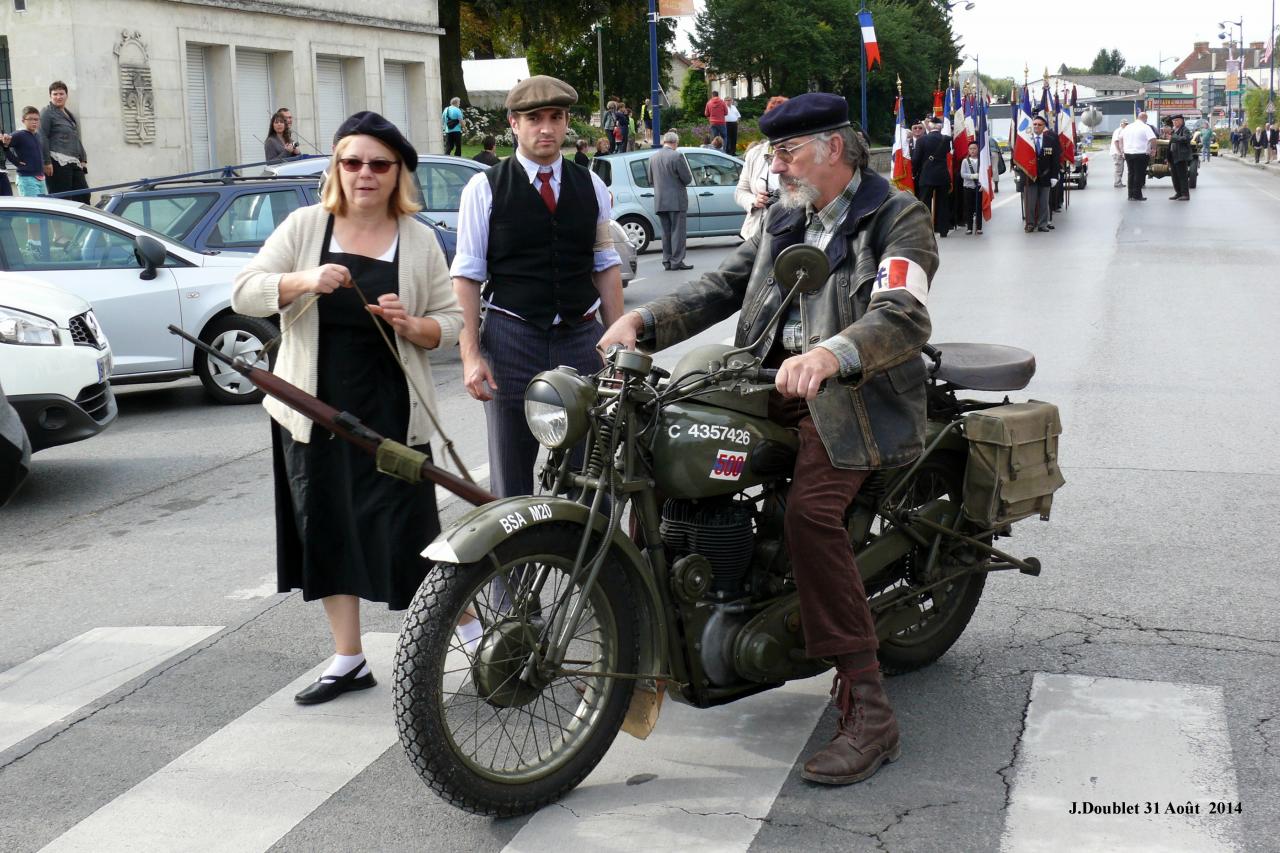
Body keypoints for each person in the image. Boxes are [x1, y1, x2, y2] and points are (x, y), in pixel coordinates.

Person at [597, 92, 936, 787]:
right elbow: (724, 283)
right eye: (774, 152)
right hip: (765, 382)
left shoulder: (896, 215)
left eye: (786, 152)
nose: (774, 166)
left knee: (810, 515)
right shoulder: (786, 216)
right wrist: (645, 321)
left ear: (833, 149)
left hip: (857, 394)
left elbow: (902, 313)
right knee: (660, 451)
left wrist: (833, 353)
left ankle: (870, 708)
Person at [231, 112, 463, 705]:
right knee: (327, 530)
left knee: (411, 535)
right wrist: (302, 281)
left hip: (392, 413)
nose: (365, 174)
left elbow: (453, 322)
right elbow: (244, 291)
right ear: (336, 168)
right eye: (352, 162)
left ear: (398, 173)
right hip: (312, 412)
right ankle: (348, 658)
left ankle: (477, 640)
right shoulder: (306, 226)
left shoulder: (417, 239)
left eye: (379, 164)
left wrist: (413, 325)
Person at [451, 75, 623, 499]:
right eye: (534, 119)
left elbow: (605, 264)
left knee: (590, 472)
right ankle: (517, 545)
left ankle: (586, 543)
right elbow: (467, 276)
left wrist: (617, 340)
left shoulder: (592, 185)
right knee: (511, 474)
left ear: (566, 123)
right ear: (514, 123)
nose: (546, 128)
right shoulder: (484, 188)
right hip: (511, 337)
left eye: (556, 118)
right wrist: (471, 354)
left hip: (581, 338)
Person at [734, 95, 789, 241]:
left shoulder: (799, 152)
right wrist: (755, 201)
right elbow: (740, 191)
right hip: (756, 233)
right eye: (772, 122)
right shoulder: (755, 154)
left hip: (790, 231)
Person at [651, 131, 693, 271]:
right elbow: (687, 179)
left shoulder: (653, 157)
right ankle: (676, 261)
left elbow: (651, 180)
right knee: (678, 232)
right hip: (676, 200)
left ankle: (667, 261)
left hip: (660, 200)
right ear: (675, 142)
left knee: (666, 232)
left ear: (664, 142)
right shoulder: (677, 156)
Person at [40, 81, 88, 204]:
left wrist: (83, 158)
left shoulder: (69, 114)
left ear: (66, 95)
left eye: (61, 94)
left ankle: (81, 218)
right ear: (50, 96)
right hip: (57, 161)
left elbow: (75, 137)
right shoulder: (47, 112)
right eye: (55, 94)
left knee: (83, 195)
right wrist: (46, 162)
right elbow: (42, 136)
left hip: (73, 161)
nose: (58, 97)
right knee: (62, 199)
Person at [911, 116, 951, 238]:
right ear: (940, 127)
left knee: (925, 204)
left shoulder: (921, 140)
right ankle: (943, 230)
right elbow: (947, 153)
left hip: (926, 175)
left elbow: (916, 159)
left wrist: (914, 173)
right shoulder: (946, 139)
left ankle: (926, 230)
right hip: (942, 176)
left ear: (929, 126)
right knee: (943, 203)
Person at [1021, 115, 1059, 232]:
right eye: (1035, 124)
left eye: (1039, 124)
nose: (1036, 126)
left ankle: (1043, 224)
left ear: (1044, 127)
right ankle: (1030, 224)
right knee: (1030, 203)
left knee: (1044, 202)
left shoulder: (1051, 140)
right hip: (1030, 176)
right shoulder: (1026, 139)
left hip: (1046, 176)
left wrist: (1054, 176)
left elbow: (1055, 160)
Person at [1122, 112, 1156, 201]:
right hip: (1141, 153)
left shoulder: (1128, 127)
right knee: (1139, 174)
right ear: (1144, 118)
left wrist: (1123, 149)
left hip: (1128, 153)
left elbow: (1121, 138)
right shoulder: (1145, 127)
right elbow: (1153, 139)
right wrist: (1154, 149)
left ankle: (1130, 195)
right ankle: (1137, 195)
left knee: (1131, 173)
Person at [959, 141, 983, 235]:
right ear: (968, 150)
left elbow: (985, 174)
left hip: (979, 187)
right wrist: (972, 176)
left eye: (974, 148)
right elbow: (962, 174)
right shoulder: (965, 161)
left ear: (978, 149)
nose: (972, 150)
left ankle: (979, 227)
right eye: (970, 149)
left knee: (978, 208)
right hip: (968, 187)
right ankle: (969, 228)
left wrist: (983, 185)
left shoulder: (981, 161)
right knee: (968, 208)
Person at [1168, 115, 1192, 201]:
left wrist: (1173, 137)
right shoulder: (1174, 130)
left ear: (1181, 121)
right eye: (1173, 121)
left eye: (1176, 120)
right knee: (1174, 176)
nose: (1174, 122)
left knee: (1182, 176)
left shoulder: (1185, 129)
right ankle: (1178, 193)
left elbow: (1186, 139)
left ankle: (1185, 194)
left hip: (1180, 156)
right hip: (1173, 156)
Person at [1111, 120, 1128, 187]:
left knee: (1120, 168)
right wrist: (1119, 152)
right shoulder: (1118, 131)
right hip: (1117, 152)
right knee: (1119, 168)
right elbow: (1116, 141)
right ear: (1121, 124)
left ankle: (1118, 182)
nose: (1126, 125)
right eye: (1125, 124)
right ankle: (1117, 183)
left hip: (1120, 152)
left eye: (1127, 124)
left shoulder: (1123, 130)